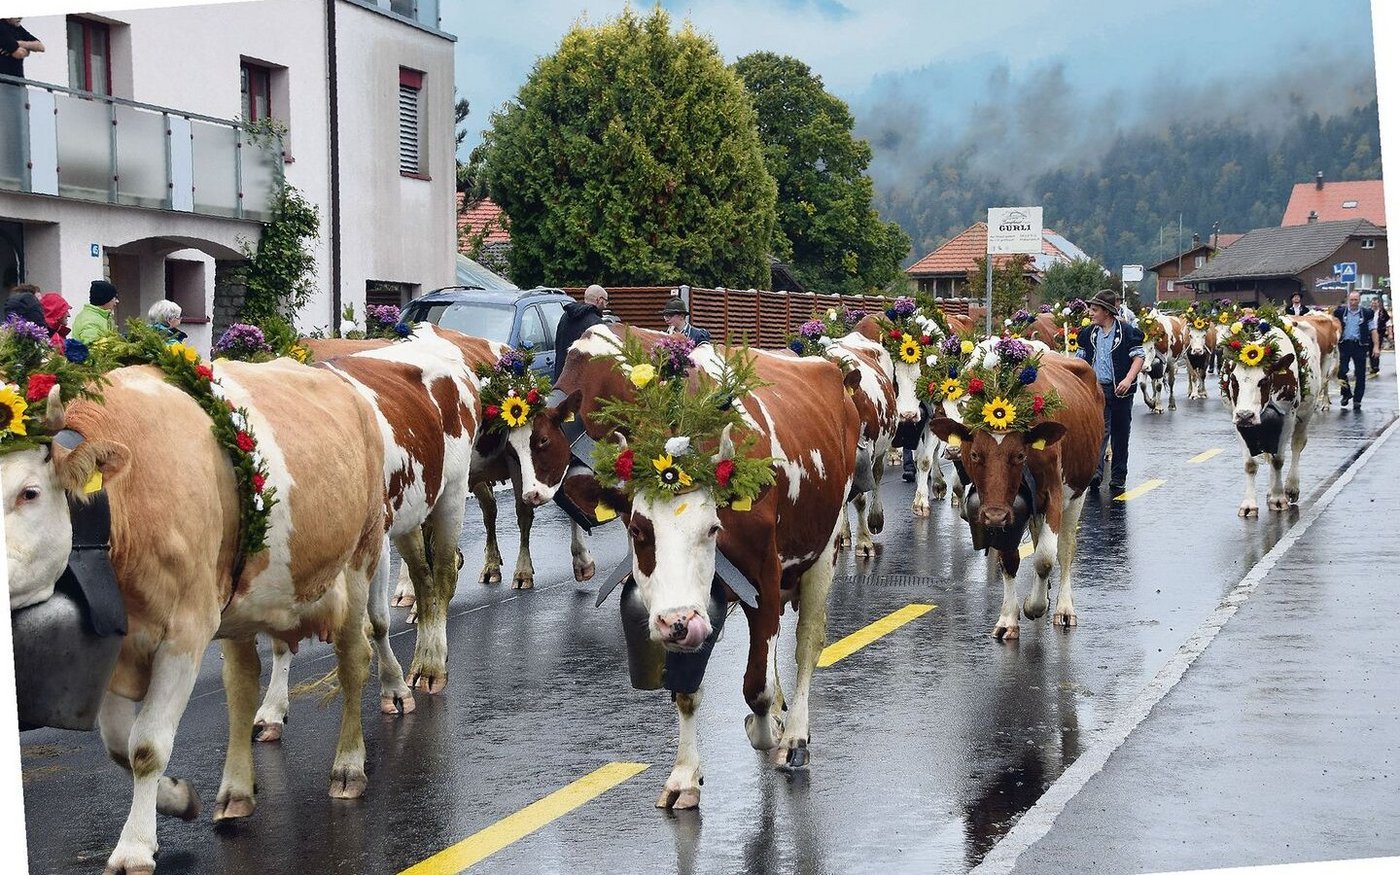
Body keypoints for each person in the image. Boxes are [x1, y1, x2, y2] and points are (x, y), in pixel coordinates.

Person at [1076, 290, 1145, 496]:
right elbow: (1080, 361)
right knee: (1099, 431)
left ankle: (1118, 476)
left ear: (1107, 312)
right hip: (1096, 389)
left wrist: (1128, 379)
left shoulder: (1126, 332)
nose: (1090, 313)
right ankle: (1095, 474)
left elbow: (1138, 357)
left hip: (1121, 389)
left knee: (1120, 432)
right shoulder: (1088, 334)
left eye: (1095, 310)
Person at [1332, 290, 1378, 411]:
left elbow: (1373, 330)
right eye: (1351, 300)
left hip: (1360, 345)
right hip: (1344, 345)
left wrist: (1376, 346)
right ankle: (1346, 393)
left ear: (1359, 300)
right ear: (1348, 300)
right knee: (1341, 371)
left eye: (1355, 300)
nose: (1353, 302)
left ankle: (1357, 400)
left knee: (1360, 374)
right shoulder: (1340, 312)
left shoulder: (1367, 313)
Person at [552, 283, 608, 382]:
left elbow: (559, 344)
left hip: (561, 378)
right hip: (582, 383)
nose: (606, 305)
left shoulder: (565, 316)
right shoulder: (597, 323)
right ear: (599, 300)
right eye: (605, 301)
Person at [71, 279, 121, 344]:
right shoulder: (90, 321)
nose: (117, 301)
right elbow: (93, 349)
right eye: (115, 298)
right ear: (105, 299)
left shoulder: (103, 316)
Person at [1369, 298, 1389, 377]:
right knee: (1370, 350)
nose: (1374, 305)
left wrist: (1389, 333)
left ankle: (1375, 366)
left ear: (1378, 304)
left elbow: (1388, 322)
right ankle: (1372, 365)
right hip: (1369, 333)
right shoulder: (1368, 312)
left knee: (1377, 348)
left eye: (1375, 303)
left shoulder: (1382, 312)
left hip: (1379, 333)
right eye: (1373, 303)